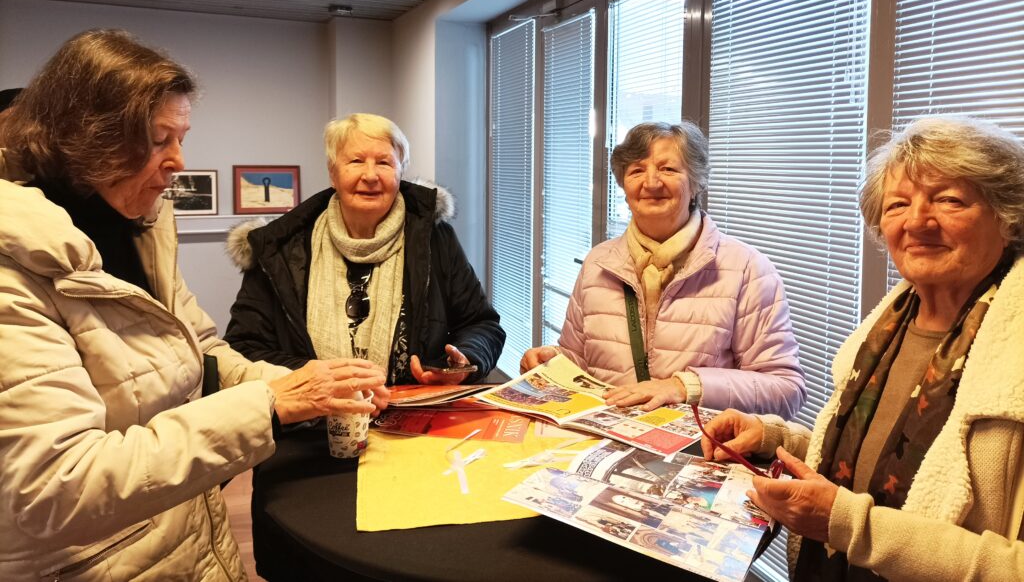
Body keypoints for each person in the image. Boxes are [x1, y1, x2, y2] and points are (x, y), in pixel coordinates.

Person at [0, 30, 388, 581]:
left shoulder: (137, 229)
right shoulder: (14, 269)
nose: (179, 162)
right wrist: (270, 403)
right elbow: (54, 487)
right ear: (86, 137)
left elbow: (201, 352)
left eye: (180, 139)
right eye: (159, 140)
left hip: (185, 537)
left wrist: (309, 387)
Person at [701, 116, 1024, 581]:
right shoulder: (885, 331)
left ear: (1008, 216)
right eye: (897, 205)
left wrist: (852, 526)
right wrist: (775, 440)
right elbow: (872, 470)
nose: (917, 221)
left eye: (949, 200)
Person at [522, 121, 805, 418]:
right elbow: (581, 363)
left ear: (696, 182)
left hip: (700, 443)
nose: (652, 183)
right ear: (623, 186)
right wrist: (553, 362)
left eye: (668, 169)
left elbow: (786, 390)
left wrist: (686, 387)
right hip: (605, 438)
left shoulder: (746, 269)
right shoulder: (598, 263)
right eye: (636, 171)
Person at [225, 112, 505, 385]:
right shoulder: (279, 249)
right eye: (356, 161)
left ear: (400, 172)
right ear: (333, 173)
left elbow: (482, 325)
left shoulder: (435, 238)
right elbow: (244, 347)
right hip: (313, 414)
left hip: (413, 411)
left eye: (384, 162)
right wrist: (317, 378)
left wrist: (463, 361)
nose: (370, 175)